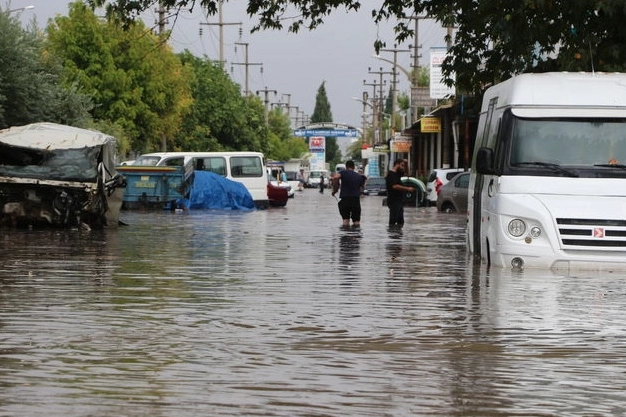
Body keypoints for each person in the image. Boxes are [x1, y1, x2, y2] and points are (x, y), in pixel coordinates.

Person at [331, 160, 366, 227]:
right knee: (356, 222)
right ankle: (355, 232)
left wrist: (335, 190)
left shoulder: (343, 172)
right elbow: (363, 186)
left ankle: (345, 232)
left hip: (345, 199)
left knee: (345, 221)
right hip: (355, 200)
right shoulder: (358, 176)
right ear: (354, 167)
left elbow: (335, 177)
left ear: (346, 166)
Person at [385, 158, 415, 227]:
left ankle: (398, 232)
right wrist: (408, 189)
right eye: (402, 165)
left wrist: (406, 164)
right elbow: (395, 186)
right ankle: (392, 232)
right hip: (393, 200)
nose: (403, 168)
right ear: (397, 164)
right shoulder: (391, 174)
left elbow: (407, 173)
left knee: (400, 221)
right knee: (393, 220)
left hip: (399, 200)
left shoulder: (397, 173)